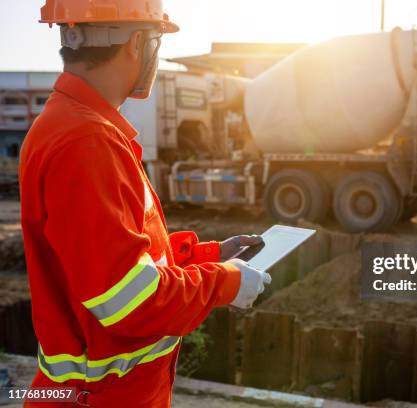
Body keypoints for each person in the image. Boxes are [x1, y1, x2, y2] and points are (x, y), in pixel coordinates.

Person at [19, 1, 271, 406]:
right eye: (157, 39)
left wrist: (205, 258)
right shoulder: (86, 140)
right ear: (138, 43)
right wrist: (224, 282)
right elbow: (128, 302)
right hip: (105, 398)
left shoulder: (73, 125)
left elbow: (111, 260)